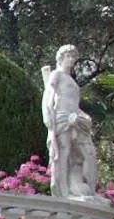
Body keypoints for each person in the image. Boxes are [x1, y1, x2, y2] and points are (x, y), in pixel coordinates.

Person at [41, 44, 99, 198]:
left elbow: (74, 104)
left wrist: (83, 115)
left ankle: (79, 187)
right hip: (61, 117)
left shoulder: (72, 82)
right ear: (60, 58)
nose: (72, 60)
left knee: (83, 154)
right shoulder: (56, 75)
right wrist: (48, 117)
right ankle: (63, 192)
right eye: (69, 56)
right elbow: (49, 95)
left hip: (76, 119)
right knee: (63, 153)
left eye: (73, 57)